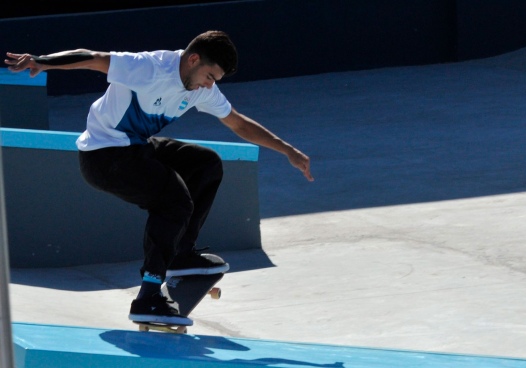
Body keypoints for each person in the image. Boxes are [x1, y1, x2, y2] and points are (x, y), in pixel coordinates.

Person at [5, 30, 313, 326]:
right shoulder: (149, 67)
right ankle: (148, 295)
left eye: (215, 81)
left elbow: (237, 123)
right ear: (193, 60)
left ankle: (182, 254)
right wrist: (41, 60)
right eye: (209, 77)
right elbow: (93, 58)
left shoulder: (200, 88)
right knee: (174, 200)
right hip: (103, 156)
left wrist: (287, 150)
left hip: (136, 149)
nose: (209, 87)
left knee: (206, 165)